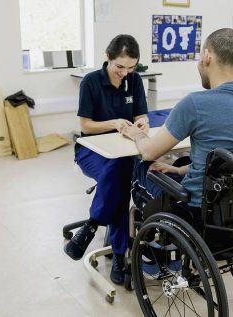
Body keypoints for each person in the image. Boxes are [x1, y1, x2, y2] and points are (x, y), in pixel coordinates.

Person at [121, 28, 233, 222]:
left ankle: (123, 239)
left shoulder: (195, 104)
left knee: (140, 165)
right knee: (180, 163)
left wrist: (137, 135)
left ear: (207, 56)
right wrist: (179, 171)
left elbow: (149, 152)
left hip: (202, 211)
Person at [64, 34, 149, 285]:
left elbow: (141, 114)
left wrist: (142, 121)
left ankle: (92, 225)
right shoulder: (90, 82)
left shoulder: (134, 81)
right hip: (91, 150)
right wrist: (113, 123)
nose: (125, 72)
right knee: (119, 173)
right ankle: (120, 255)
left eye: (131, 67)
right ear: (107, 58)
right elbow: (86, 127)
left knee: (120, 171)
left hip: (123, 151)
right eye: (120, 66)